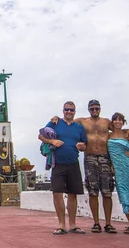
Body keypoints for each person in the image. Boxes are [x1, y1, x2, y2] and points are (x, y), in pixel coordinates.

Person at [52, 99, 116, 234]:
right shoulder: (82, 121)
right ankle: (96, 223)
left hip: (105, 157)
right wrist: (56, 117)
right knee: (93, 191)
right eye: (92, 109)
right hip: (90, 157)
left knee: (107, 192)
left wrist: (128, 134)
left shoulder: (106, 122)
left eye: (96, 108)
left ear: (100, 109)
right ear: (88, 109)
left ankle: (109, 223)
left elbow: (117, 128)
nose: (94, 111)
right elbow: (66, 120)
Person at [38, 101, 87, 235]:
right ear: (63, 110)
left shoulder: (79, 127)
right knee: (57, 193)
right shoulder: (55, 122)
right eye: (67, 110)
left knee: (72, 194)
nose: (69, 112)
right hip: (57, 164)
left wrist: (82, 147)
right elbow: (40, 135)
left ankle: (73, 224)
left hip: (73, 163)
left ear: (75, 112)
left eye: (71, 110)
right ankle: (61, 225)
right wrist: (52, 141)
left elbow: (85, 145)